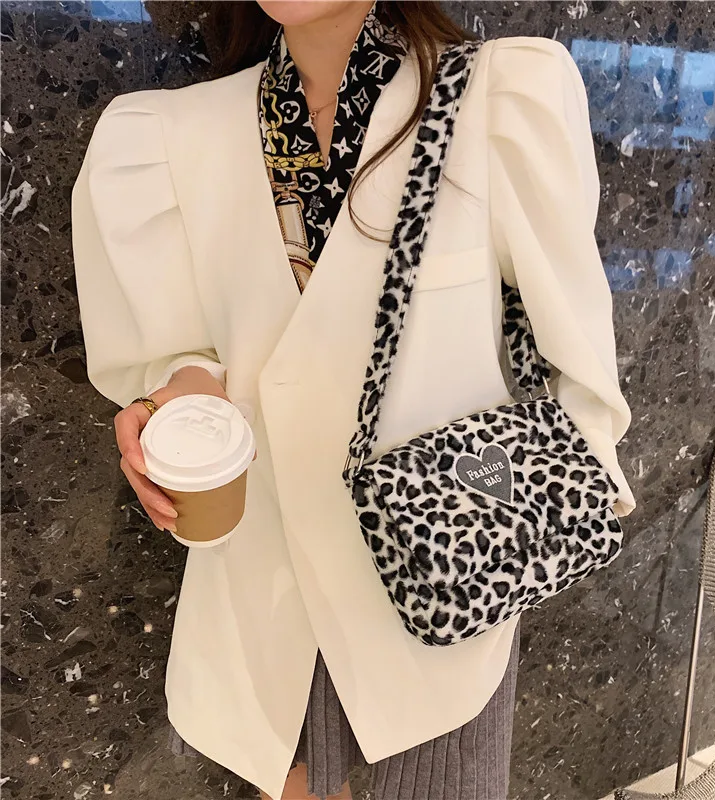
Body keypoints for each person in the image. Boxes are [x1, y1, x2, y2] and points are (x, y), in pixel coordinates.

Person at [71, 2, 636, 798]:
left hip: (437, 601)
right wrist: (179, 411)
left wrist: (537, 529)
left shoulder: (496, 98)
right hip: (266, 608)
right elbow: (197, 355)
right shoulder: (172, 137)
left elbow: (578, 360)